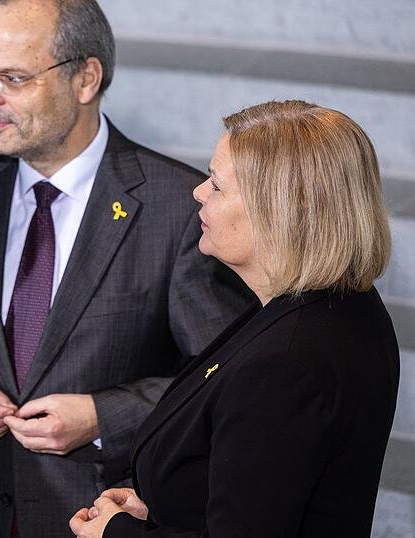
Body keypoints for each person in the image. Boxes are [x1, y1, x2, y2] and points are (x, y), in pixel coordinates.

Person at [0, 0, 253, 535]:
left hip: (108, 518)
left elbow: (222, 377)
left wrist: (104, 417)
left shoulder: (179, 204)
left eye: (12, 77)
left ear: (86, 78)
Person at [70, 100, 400, 537]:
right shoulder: (337, 307)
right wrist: (161, 511)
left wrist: (116, 534)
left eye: (218, 186)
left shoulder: (285, 364)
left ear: (280, 210)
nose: (198, 192)